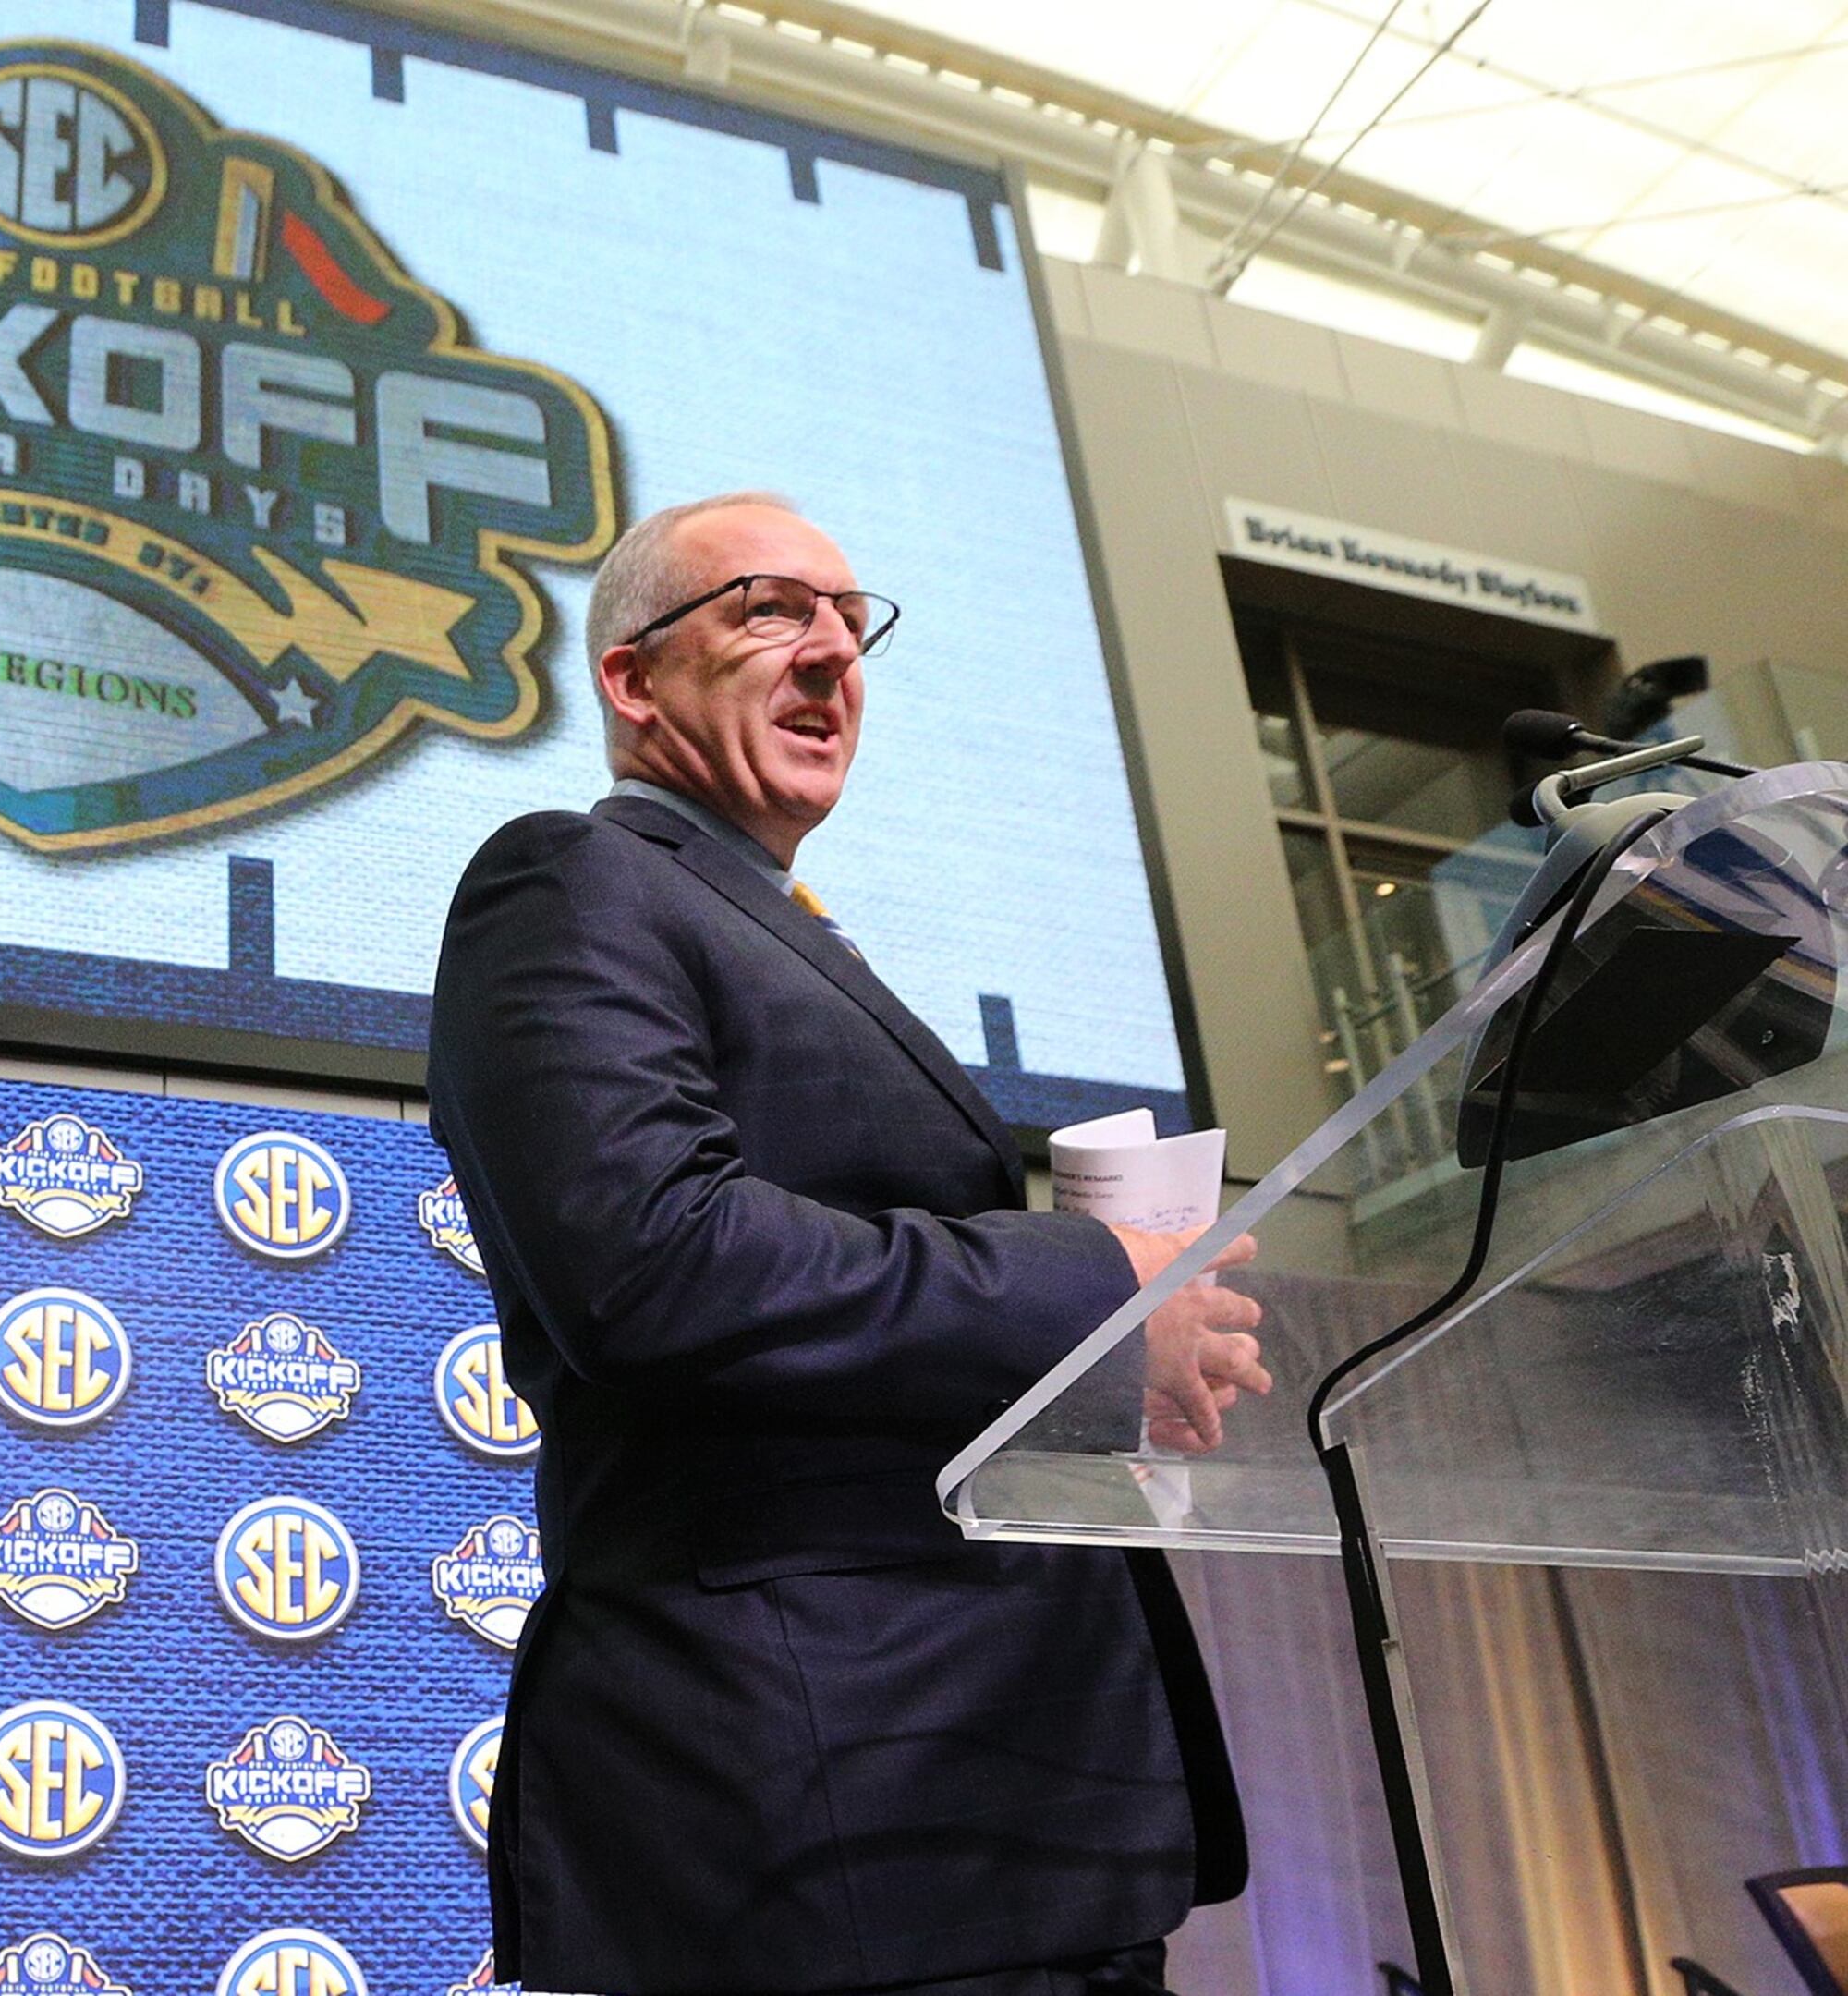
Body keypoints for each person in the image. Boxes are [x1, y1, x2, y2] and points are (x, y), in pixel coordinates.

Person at [427, 493, 1272, 1996]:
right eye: (768, 609)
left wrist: (1101, 1370)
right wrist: (1097, 1288)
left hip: (991, 1811)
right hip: (826, 1823)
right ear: (630, 679)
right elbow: (655, 1258)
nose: (831, 653)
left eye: (852, 619)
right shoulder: (566, 881)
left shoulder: (778, 919)